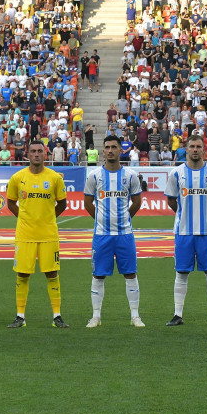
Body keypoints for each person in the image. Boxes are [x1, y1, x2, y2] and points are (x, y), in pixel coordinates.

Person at [165, 134, 207, 326]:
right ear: (186, 149)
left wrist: (206, 214)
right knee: (181, 273)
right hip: (183, 232)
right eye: (191, 146)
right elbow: (171, 200)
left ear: (203, 149)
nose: (194, 149)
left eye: (198, 146)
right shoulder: (176, 173)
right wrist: (183, 214)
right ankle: (177, 315)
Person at [6, 141, 69, 328]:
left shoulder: (55, 177)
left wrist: (48, 218)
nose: (36, 154)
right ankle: (20, 317)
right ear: (27, 154)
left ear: (45, 154)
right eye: (33, 151)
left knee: (52, 273)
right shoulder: (17, 178)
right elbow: (10, 202)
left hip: (48, 233)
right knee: (23, 274)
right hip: (25, 234)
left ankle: (57, 316)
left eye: (39, 151)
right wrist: (25, 219)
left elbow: (62, 204)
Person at [84, 136, 144, 328]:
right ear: (103, 151)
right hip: (102, 235)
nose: (110, 150)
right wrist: (101, 219)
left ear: (120, 151)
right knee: (98, 275)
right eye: (107, 147)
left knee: (131, 274)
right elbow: (87, 203)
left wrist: (125, 219)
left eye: (114, 147)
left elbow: (137, 202)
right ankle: (96, 316)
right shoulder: (94, 176)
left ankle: (135, 316)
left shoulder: (131, 175)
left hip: (125, 234)